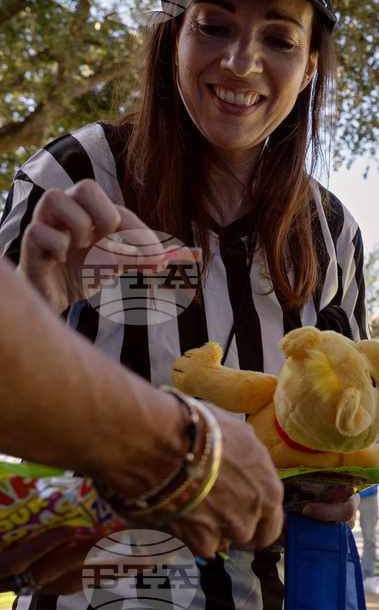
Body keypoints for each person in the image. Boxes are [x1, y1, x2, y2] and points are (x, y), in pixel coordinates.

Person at [0, 0, 368, 606]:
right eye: (213, 25)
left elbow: (349, 425)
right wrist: (36, 302)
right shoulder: (74, 177)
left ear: (311, 64)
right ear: (173, 34)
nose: (241, 62)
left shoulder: (333, 230)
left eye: (279, 38)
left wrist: (336, 483)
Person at [0, 253, 288, 594]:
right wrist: (175, 447)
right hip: (85, 582)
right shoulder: (60, 224)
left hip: (263, 586)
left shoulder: (331, 236)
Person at [358, 484, 379, 595]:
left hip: (369, 492)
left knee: (370, 538)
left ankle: (368, 577)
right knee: (341, 537)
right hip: (344, 492)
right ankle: (345, 576)